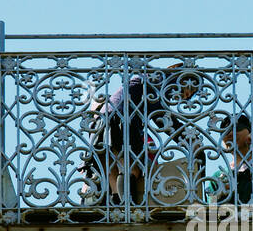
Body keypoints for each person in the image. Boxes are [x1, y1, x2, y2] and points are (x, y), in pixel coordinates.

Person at [83, 64, 202, 208]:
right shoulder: (156, 83)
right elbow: (164, 119)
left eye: (193, 92)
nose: (188, 94)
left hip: (102, 123)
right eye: (189, 87)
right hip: (122, 121)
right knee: (131, 169)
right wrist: (191, 142)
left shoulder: (149, 80)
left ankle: (119, 210)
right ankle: (129, 210)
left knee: (113, 172)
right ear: (179, 78)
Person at [207, 114, 253, 206]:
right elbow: (211, 211)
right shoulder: (218, 176)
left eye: (237, 128)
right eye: (224, 131)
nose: (230, 133)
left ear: (251, 134)